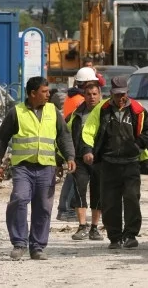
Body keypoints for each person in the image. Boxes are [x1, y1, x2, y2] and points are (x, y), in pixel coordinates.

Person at [0, 76, 76, 261]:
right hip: (23, 167)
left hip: (46, 167)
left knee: (44, 207)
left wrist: (69, 156)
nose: (48, 94)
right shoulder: (17, 112)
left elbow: (64, 136)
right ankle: (19, 243)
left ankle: (37, 247)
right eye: (44, 92)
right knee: (19, 199)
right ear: (32, 94)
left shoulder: (53, 111)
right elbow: (1, 138)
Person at [81, 76, 148, 249]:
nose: (120, 98)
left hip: (131, 163)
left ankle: (130, 235)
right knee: (110, 202)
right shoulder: (102, 109)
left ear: (127, 93)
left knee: (132, 199)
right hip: (108, 163)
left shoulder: (137, 110)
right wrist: (88, 150)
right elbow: (89, 131)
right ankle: (114, 237)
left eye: (122, 94)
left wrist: (137, 146)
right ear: (111, 93)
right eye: (116, 94)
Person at [57, 67, 100, 222]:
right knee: (76, 183)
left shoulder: (72, 96)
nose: (92, 95)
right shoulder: (81, 100)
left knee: (74, 181)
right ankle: (66, 209)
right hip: (79, 144)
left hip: (75, 143)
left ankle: (65, 209)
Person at [65, 83, 104, 241]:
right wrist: (65, 157)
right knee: (79, 191)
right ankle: (82, 226)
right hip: (79, 159)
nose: (92, 97)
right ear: (84, 95)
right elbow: (65, 135)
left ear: (99, 94)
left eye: (94, 94)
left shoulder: (105, 112)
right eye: (88, 94)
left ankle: (94, 228)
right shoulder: (76, 114)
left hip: (99, 159)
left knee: (97, 193)